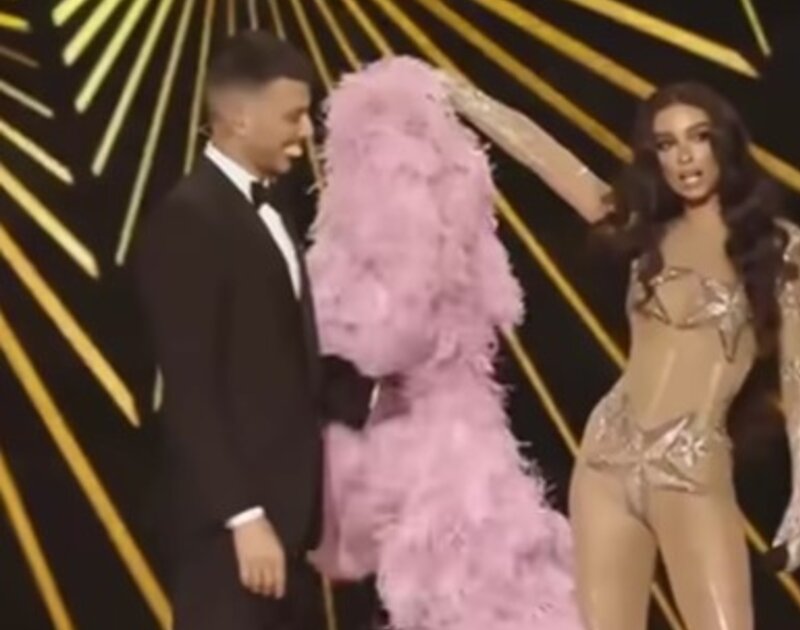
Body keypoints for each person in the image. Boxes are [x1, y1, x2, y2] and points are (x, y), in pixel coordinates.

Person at [442, 78, 800, 629]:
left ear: (724, 143)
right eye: (666, 144)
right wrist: (458, 93)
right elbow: (543, 154)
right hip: (606, 461)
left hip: (691, 472)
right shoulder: (643, 228)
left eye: (698, 137)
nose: (684, 156)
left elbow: (798, 372)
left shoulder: (778, 245)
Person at [305, 57, 581, 629]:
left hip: (447, 438)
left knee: (473, 577)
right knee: (467, 582)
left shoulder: (425, 225)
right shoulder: (423, 219)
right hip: (432, 433)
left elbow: (392, 340)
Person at [134, 31, 373, 630]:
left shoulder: (267, 208)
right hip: (233, 538)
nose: (307, 132)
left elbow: (282, 363)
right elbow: (189, 389)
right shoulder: (189, 219)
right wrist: (242, 516)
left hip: (288, 530)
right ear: (240, 118)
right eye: (293, 116)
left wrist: (386, 392)